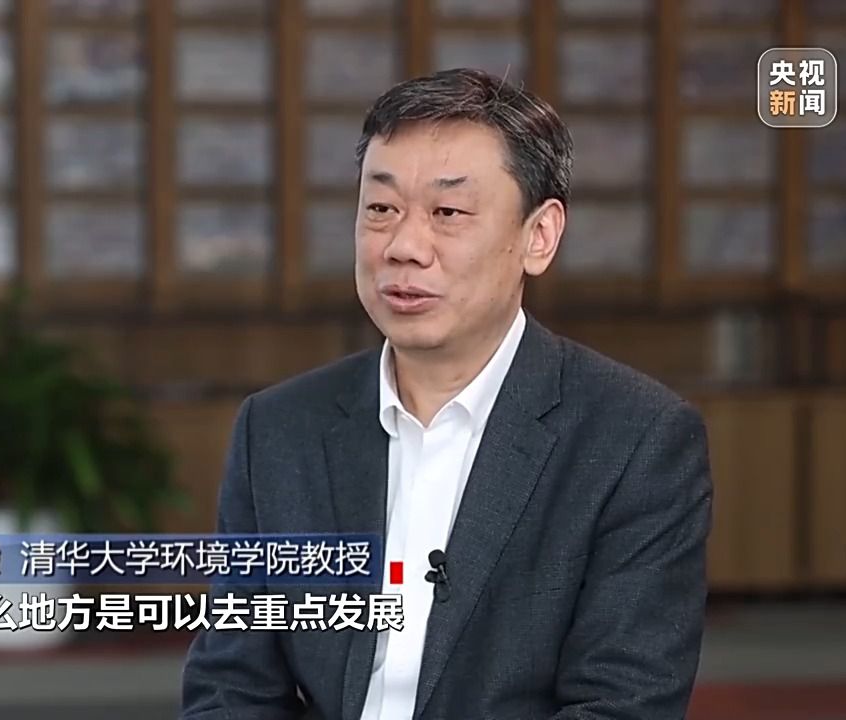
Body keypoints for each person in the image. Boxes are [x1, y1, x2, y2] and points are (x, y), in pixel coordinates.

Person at [180, 68, 713, 720]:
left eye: (448, 213)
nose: (404, 247)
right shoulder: (278, 428)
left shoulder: (636, 440)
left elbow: (623, 705)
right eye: (381, 209)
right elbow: (231, 688)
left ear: (539, 236)